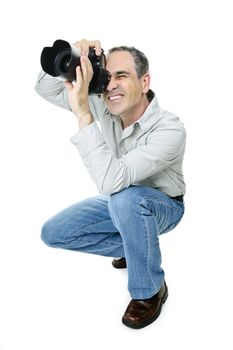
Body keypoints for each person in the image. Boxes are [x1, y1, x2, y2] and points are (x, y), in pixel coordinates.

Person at [35, 39, 186, 329]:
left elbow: (110, 182)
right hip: (120, 201)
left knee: (124, 198)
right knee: (53, 233)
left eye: (122, 76)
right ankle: (136, 247)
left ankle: (150, 289)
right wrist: (79, 62)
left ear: (144, 82)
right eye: (107, 74)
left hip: (163, 206)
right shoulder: (103, 102)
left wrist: (83, 114)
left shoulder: (170, 128)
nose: (110, 84)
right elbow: (44, 88)